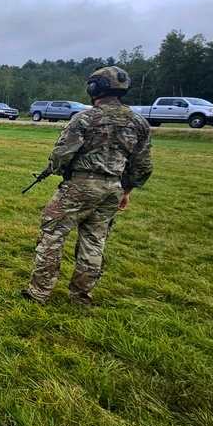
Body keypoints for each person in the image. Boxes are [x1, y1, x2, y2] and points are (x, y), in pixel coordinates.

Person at [21, 66, 153, 307]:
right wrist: (126, 192)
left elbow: (62, 155)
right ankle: (81, 299)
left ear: (94, 88)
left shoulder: (84, 118)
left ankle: (39, 293)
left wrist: (61, 171)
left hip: (80, 186)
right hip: (113, 189)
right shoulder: (139, 123)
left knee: (52, 236)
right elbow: (142, 165)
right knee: (94, 243)